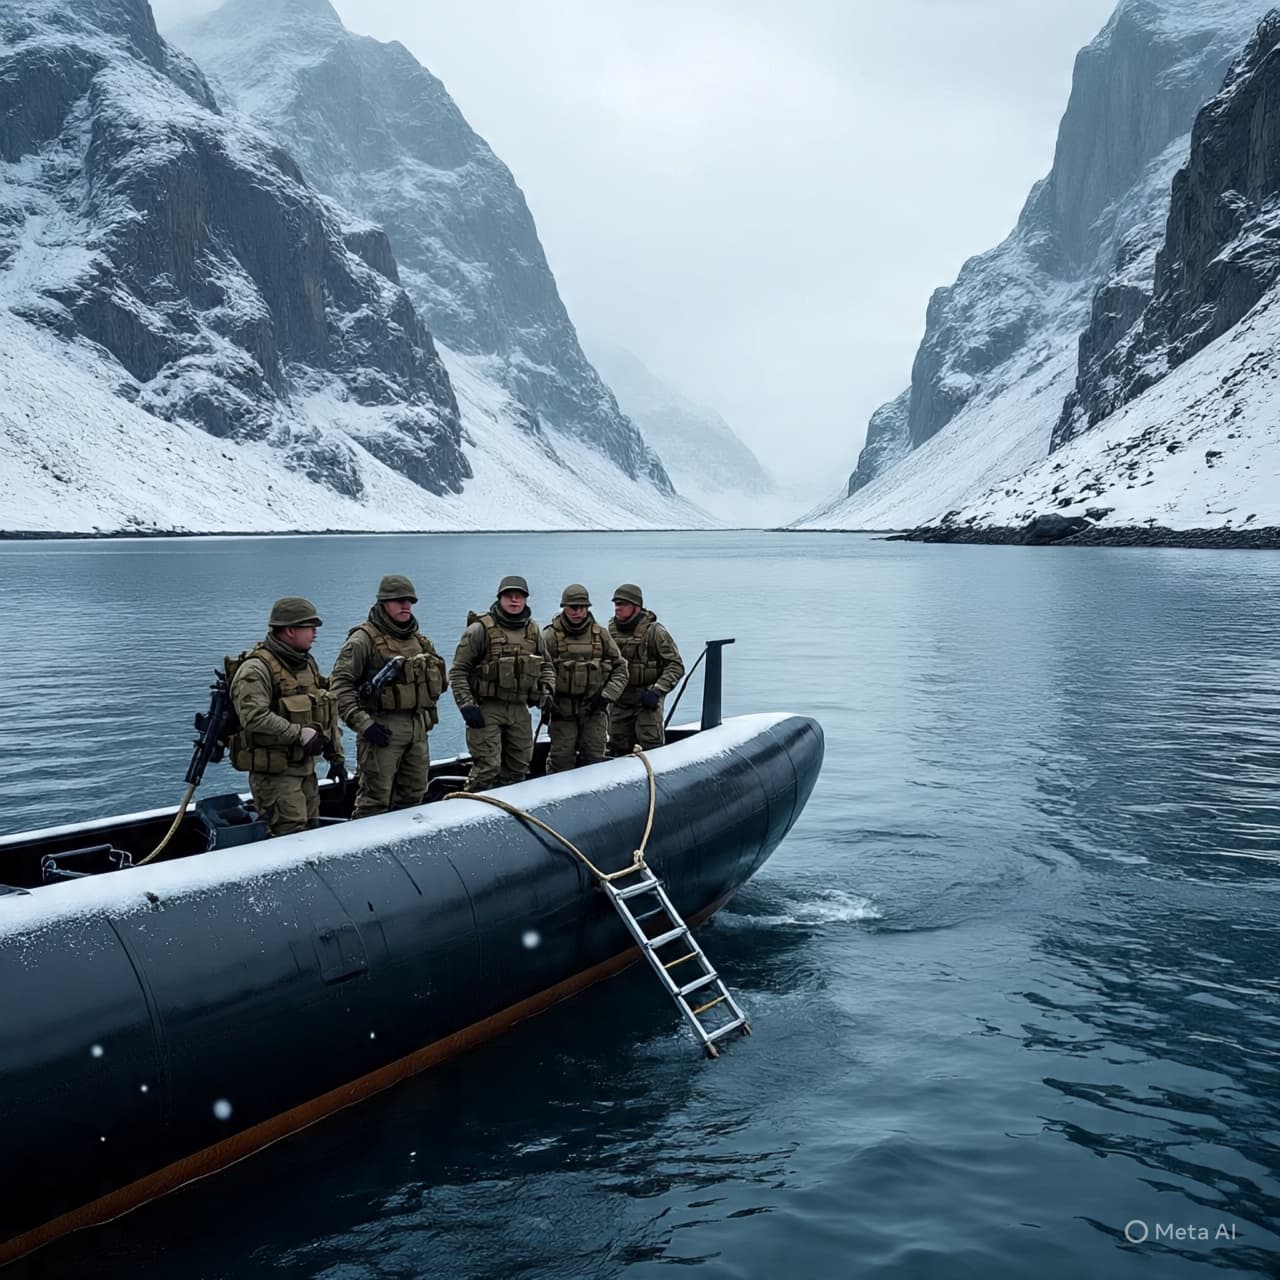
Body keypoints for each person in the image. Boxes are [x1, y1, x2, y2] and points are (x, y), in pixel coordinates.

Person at [330, 574, 448, 819]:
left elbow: (441, 681)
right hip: (381, 728)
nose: (406, 606)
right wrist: (364, 724)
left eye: (409, 601)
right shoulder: (363, 640)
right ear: (384, 603)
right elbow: (339, 688)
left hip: (417, 727)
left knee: (415, 793)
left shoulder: (420, 641)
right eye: (399, 601)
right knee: (375, 799)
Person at [228, 596, 344, 838]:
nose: (315, 633)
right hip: (276, 776)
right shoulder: (256, 669)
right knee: (288, 835)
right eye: (309, 627)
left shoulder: (305, 663)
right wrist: (298, 733)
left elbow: (323, 708)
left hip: (305, 769)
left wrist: (336, 758)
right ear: (290, 630)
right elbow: (253, 716)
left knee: (312, 829)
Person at [449, 574, 555, 791]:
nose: (514, 601)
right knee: (487, 767)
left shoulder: (533, 631)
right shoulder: (479, 630)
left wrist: (547, 691)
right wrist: (466, 705)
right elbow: (459, 671)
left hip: (519, 708)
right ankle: (471, 808)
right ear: (500, 598)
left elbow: (547, 666)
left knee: (518, 767)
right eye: (509, 596)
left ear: (525, 599)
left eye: (519, 596)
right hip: (487, 708)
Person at [542, 584, 627, 773]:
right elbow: (536, 671)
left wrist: (606, 696)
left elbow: (621, 668)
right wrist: (545, 698)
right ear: (564, 607)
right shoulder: (549, 636)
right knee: (560, 761)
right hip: (562, 711)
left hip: (594, 710)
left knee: (595, 758)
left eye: (582, 607)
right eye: (573, 607)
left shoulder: (601, 635)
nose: (578, 612)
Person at [607, 583, 685, 755]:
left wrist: (657, 691)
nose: (617, 608)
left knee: (651, 745)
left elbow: (675, 666)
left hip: (647, 701)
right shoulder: (609, 633)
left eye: (622, 604)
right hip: (619, 702)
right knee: (617, 746)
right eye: (616, 604)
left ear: (636, 607)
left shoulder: (655, 632)